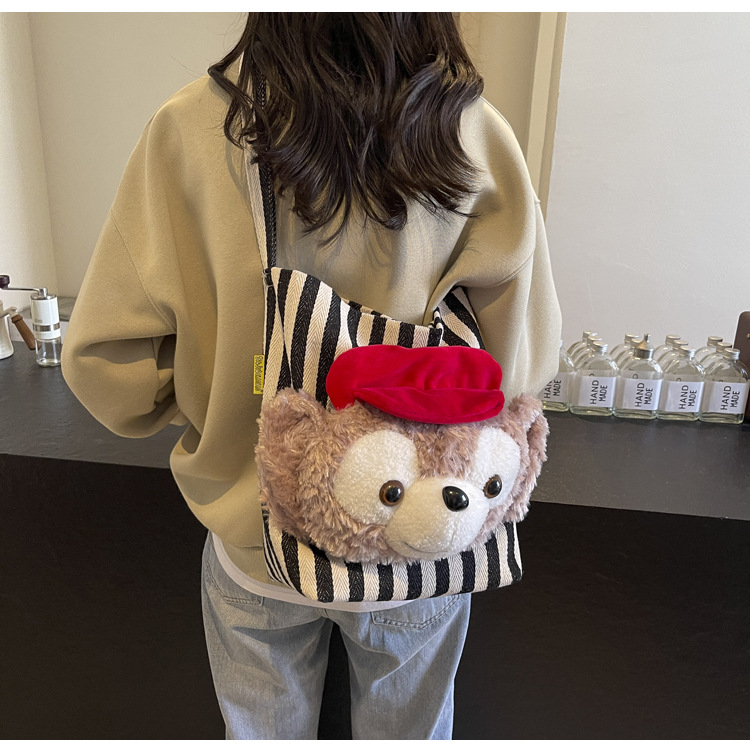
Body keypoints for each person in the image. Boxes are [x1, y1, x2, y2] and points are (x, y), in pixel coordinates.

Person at [62, 12, 561, 740]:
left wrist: (219, 400)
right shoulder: (472, 132)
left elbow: (109, 370)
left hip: (253, 534)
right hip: (419, 540)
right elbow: (522, 367)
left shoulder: (192, 130)